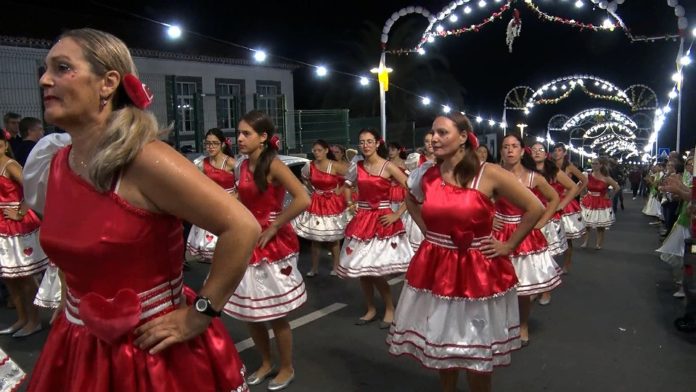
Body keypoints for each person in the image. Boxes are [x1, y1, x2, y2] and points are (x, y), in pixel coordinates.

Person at [25, 28, 259, 391]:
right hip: (79, 344)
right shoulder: (55, 164)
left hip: (155, 353)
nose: (44, 79)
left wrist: (201, 314)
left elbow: (242, 227)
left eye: (62, 67)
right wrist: (74, 306)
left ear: (108, 83)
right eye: (45, 68)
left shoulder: (145, 160)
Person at [387, 113, 543, 392]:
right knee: (442, 345)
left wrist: (508, 245)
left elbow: (535, 208)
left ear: (463, 138)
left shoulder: (489, 173)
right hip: (436, 268)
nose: (434, 138)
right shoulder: (426, 174)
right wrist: (428, 231)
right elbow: (410, 200)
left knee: (475, 350)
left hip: (477, 271)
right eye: (433, 132)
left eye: (442, 132)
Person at [223, 110, 310, 390]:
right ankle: (265, 361)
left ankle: (286, 366)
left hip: (271, 243)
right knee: (251, 310)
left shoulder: (274, 164)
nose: (239, 138)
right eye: (238, 133)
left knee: (275, 313)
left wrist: (275, 225)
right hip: (247, 239)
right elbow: (240, 198)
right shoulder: (239, 165)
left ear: (263, 137)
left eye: (246, 133)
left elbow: (302, 198)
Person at [338, 129, 413, 329]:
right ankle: (370, 308)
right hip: (362, 220)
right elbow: (346, 186)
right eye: (362, 142)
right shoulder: (357, 166)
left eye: (369, 141)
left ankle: (390, 308)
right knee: (363, 271)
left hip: (382, 221)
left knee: (376, 272)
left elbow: (412, 189)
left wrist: (398, 214)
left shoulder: (388, 166)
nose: (365, 145)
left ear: (378, 143)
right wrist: (350, 204)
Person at [494, 133, 561, 345]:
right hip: (497, 233)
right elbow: (479, 199)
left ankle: (522, 325)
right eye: (505, 146)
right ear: (501, 151)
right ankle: (500, 324)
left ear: (523, 151)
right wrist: (488, 218)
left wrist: (540, 222)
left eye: (514, 146)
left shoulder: (534, 177)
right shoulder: (492, 174)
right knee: (497, 285)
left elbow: (554, 198)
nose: (510, 150)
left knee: (523, 287)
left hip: (524, 235)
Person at [0, 132, 48, 338]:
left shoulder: (10, 165)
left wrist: (20, 212)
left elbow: (32, 187)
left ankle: (34, 321)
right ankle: (21, 318)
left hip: (17, 228)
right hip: (2, 226)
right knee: (9, 278)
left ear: (3, 145)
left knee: (25, 276)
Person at [292, 139, 349, 277]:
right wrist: (312, 190)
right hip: (316, 202)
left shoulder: (334, 165)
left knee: (333, 237)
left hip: (332, 204)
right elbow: (304, 178)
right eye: (314, 150)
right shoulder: (309, 165)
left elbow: (352, 176)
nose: (316, 153)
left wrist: (340, 190)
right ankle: (314, 268)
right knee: (314, 238)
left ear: (326, 151)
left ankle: (336, 266)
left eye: (319, 150)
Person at [186, 128, 236, 262]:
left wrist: (230, 201)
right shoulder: (201, 163)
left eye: (215, 143)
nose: (211, 146)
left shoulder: (231, 163)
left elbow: (242, 187)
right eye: (208, 143)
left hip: (229, 206)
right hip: (210, 207)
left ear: (223, 144)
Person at [657, 156, 693, 298]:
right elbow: (690, 196)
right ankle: (683, 284)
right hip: (685, 219)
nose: (690, 166)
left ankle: (685, 287)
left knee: (687, 253)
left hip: (689, 222)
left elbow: (690, 196)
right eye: (688, 163)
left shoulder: (688, 178)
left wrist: (677, 189)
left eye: (692, 163)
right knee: (684, 253)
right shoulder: (688, 178)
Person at [552, 143, 587, 273]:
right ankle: (551, 265)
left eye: (559, 150)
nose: (557, 152)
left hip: (566, 205)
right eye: (555, 150)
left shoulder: (569, 167)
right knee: (551, 236)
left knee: (567, 238)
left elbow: (584, 180)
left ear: (564, 152)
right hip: (551, 202)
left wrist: (575, 193)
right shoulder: (549, 166)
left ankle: (566, 264)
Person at [580, 158, 620, 249]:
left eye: (596, 163)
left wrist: (610, 197)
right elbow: (582, 187)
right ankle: (585, 242)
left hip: (601, 202)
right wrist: (583, 196)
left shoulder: (606, 177)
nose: (594, 165)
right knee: (586, 223)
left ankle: (598, 243)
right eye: (593, 163)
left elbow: (617, 187)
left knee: (600, 225)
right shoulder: (587, 176)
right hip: (589, 201)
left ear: (601, 165)